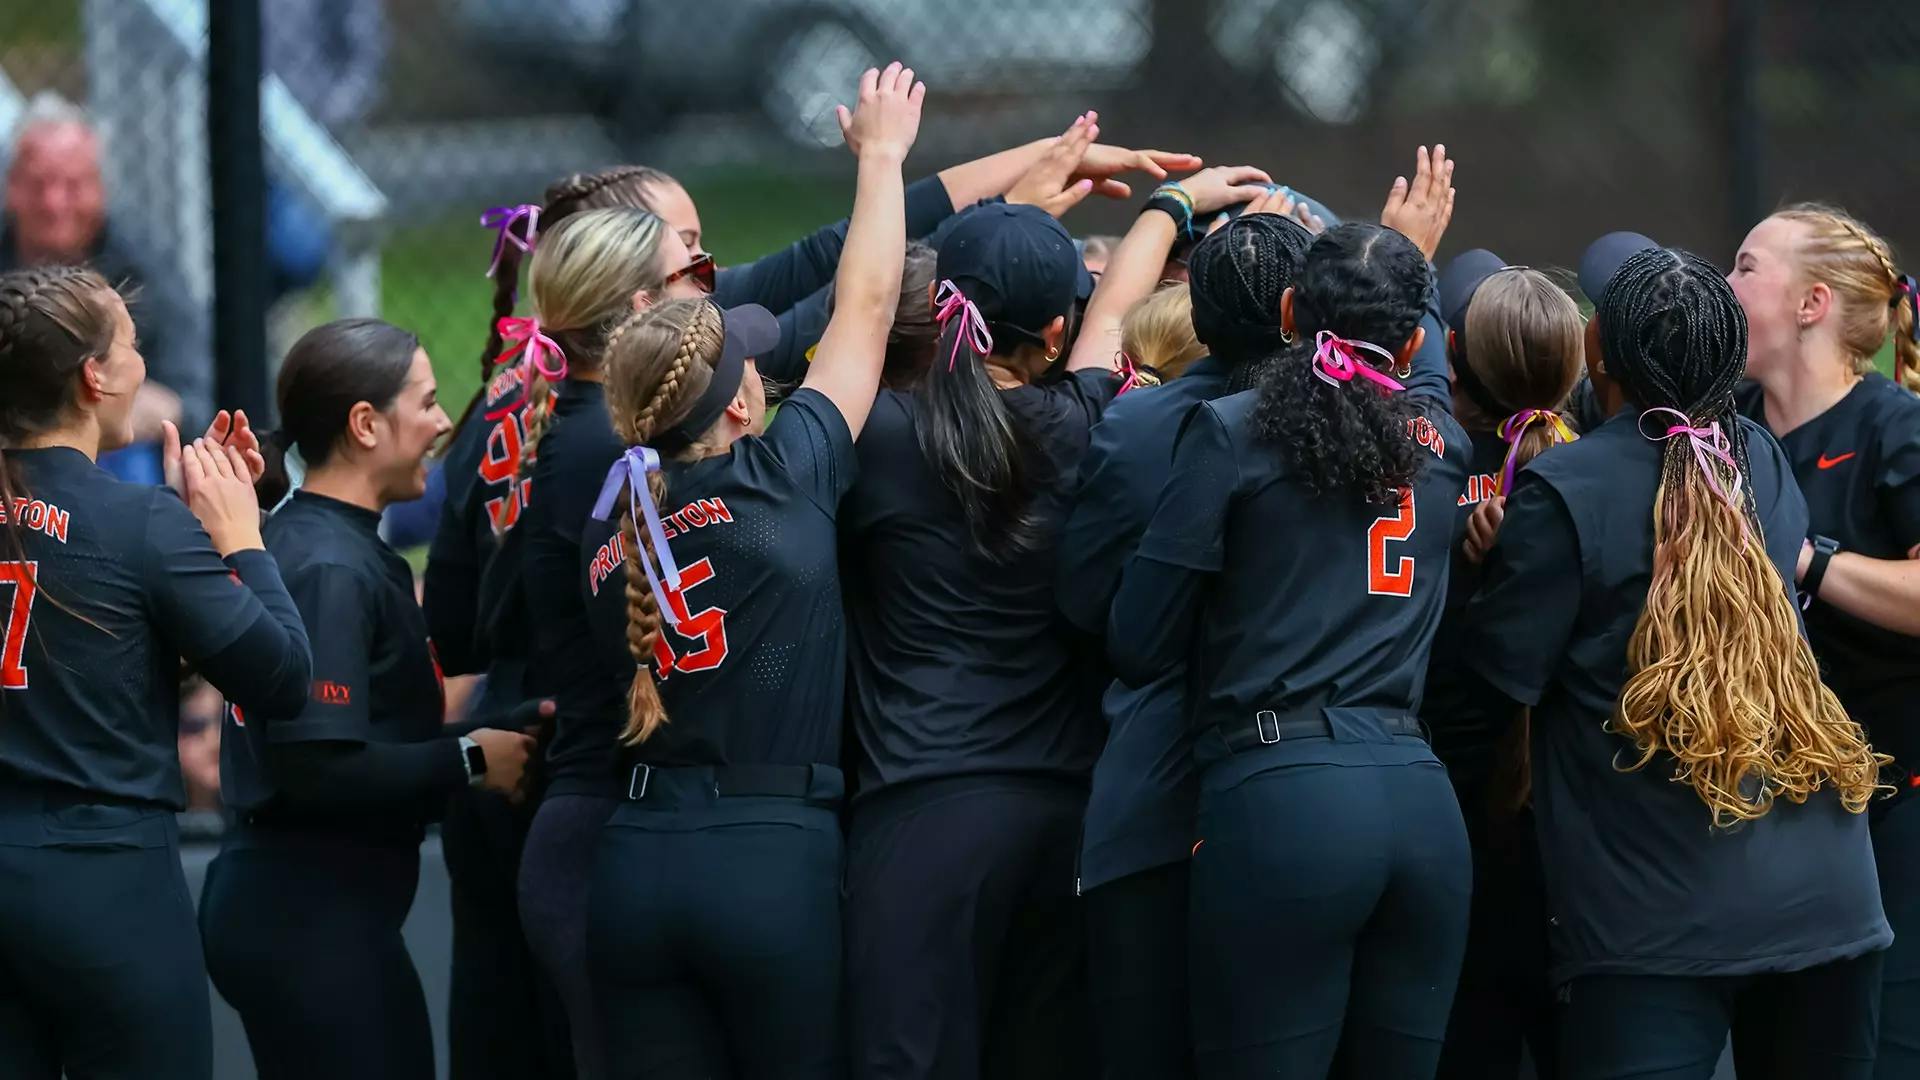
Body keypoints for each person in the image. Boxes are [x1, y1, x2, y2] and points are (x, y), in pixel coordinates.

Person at [838, 106, 1268, 1073]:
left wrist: (882, 162)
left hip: (920, 818)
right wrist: (1172, 206)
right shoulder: (1084, 423)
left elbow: (860, 310)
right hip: (1061, 814)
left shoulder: (880, 436)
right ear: (1053, 330)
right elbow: (1113, 321)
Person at [1462, 245, 1891, 1080]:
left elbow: (1492, 688)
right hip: (1831, 905)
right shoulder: (1761, 460)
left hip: (1652, 926)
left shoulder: (1565, 491)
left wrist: (1486, 564)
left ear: (1599, 353)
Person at [576, 61, 921, 1078]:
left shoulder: (611, 541)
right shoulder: (786, 477)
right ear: (735, 406)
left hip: (634, 860)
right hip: (770, 858)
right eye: (754, 368)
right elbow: (865, 304)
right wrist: (885, 159)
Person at [1110, 146, 1469, 1079]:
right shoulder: (1444, 439)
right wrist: (1404, 263)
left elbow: (1140, 639)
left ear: (1283, 314)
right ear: (1417, 344)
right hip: (1423, 801)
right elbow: (1408, 371)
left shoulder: (1229, 430)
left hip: (1285, 796)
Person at [200, 319, 535, 1080]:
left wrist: (499, 726)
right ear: (365, 424)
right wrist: (474, 759)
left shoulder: (321, 543)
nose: (446, 422)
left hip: (314, 909)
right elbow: (317, 765)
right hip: (307, 911)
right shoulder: (327, 565)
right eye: (426, 402)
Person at [0, 265, 310, 1079]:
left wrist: (184, 548)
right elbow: (281, 679)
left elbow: (89, 658)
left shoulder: (146, 524)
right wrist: (240, 535)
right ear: (93, 377)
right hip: (106, 882)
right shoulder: (140, 522)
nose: (145, 362)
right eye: (132, 345)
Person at [1056, 191, 1315, 1080]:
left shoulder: (1137, 424)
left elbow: (1091, 607)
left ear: (1194, 316)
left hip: (1158, 791)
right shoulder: (1378, 421)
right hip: (1316, 794)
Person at [1726, 203, 1920, 1076]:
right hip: (1760, 817)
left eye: (1744, 267)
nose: (1723, 288)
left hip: (1888, 812)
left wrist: (1807, 560)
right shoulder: (1720, 428)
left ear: (1810, 303)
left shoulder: (1892, 427)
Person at [1424, 251, 1585, 1080]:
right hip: (1570, 805)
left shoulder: (1425, 462)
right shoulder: (1584, 471)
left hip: (1452, 789)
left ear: (1452, 354)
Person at [2, 93, 210, 483]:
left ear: (100, 187)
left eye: (73, 185)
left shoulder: (145, 272)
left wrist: (140, 406)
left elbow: (195, 400)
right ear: (11, 186)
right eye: (38, 183)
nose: (54, 203)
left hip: (119, 462)